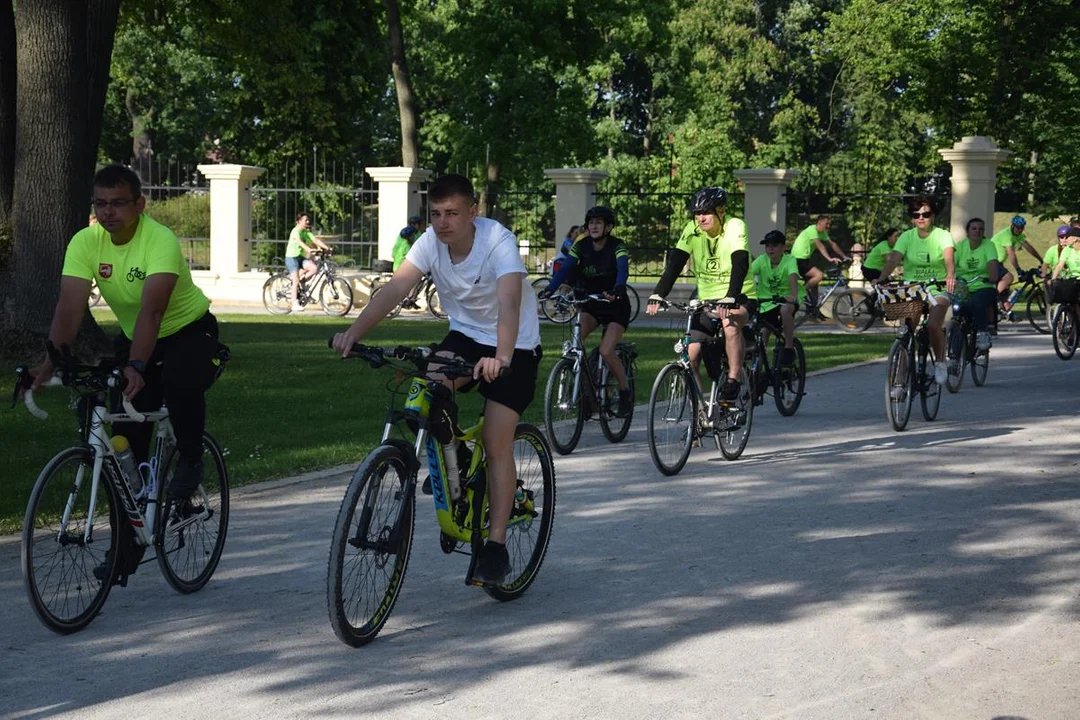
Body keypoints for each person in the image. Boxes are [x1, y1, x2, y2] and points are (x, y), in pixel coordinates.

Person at [331, 174, 541, 586]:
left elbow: (509, 300)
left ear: (472, 213)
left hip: (513, 344)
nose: (443, 223)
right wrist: (356, 332)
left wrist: (500, 357)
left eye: (452, 213)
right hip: (465, 336)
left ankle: (495, 545)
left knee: (498, 442)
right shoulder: (430, 242)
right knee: (420, 396)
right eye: (436, 214)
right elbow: (395, 288)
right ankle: (456, 460)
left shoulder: (498, 241)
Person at [28, 165, 224, 579]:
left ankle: (190, 457)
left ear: (140, 204)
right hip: (137, 335)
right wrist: (50, 362)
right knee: (121, 446)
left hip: (187, 330)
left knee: (178, 381)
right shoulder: (86, 242)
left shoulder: (160, 240)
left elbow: (153, 311)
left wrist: (137, 366)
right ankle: (128, 545)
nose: (108, 212)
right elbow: (68, 306)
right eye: (100, 203)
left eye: (118, 203)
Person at [646, 186, 756, 399]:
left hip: (740, 296)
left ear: (720, 211)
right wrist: (659, 293)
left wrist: (731, 296)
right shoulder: (692, 229)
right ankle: (701, 411)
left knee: (729, 324)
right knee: (691, 356)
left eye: (706, 212)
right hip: (706, 300)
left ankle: (733, 379)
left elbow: (740, 262)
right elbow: (676, 262)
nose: (701, 218)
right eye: (697, 213)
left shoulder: (735, 226)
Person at [540, 207, 634, 417]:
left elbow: (622, 269)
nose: (593, 226)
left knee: (606, 351)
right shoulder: (581, 246)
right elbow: (565, 268)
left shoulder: (617, 246)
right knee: (576, 344)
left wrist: (619, 287)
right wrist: (550, 288)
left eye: (599, 223)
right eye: (591, 222)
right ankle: (585, 397)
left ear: (608, 227)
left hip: (615, 305)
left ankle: (625, 391)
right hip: (591, 303)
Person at [872, 195, 956, 385]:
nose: (921, 218)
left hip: (937, 286)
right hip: (912, 288)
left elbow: (949, 256)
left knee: (934, 324)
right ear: (911, 218)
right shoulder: (906, 237)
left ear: (932, 216)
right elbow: (894, 259)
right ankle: (900, 381)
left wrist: (951, 273)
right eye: (916, 214)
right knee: (905, 331)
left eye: (925, 214)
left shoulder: (942, 235)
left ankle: (940, 363)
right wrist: (882, 277)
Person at [952, 218, 1003, 352]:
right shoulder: (960, 246)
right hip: (963, 286)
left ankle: (983, 332)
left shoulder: (988, 245)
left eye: (980, 229)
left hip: (983, 284)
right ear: (967, 232)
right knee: (957, 311)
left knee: (978, 302)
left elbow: (992, 263)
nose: (977, 231)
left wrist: (993, 277)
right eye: (974, 229)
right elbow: (951, 264)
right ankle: (954, 354)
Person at [750, 230, 800, 364]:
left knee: (785, 311)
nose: (770, 249)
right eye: (767, 246)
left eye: (774, 245)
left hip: (785, 300)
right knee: (763, 333)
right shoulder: (762, 260)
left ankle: (789, 347)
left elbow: (793, 276)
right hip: (766, 303)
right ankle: (758, 371)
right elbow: (747, 274)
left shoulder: (790, 260)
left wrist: (793, 295)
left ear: (783, 247)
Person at [791, 215, 849, 319]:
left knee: (814, 285)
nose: (828, 226)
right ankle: (801, 292)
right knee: (819, 275)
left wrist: (844, 256)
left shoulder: (822, 232)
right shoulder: (812, 230)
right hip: (797, 259)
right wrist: (830, 259)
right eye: (826, 224)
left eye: (829, 224)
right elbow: (820, 246)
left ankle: (814, 310)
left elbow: (832, 244)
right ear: (819, 223)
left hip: (804, 259)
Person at [991, 215, 1042, 311]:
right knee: (1009, 277)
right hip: (991, 262)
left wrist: (1041, 259)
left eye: (1022, 228)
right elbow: (1011, 254)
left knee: (1006, 289)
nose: (1019, 230)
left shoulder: (1018, 236)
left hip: (997, 263)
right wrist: (1018, 270)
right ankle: (991, 296)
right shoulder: (1007, 235)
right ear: (1012, 226)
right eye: (1018, 227)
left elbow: (1028, 247)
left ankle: (1003, 309)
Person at [285, 212, 332, 313]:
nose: (308, 221)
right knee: (296, 280)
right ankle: (294, 303)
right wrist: (308, 249)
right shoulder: (295, 231)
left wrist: (327, 248)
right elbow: (299, 242)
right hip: (291, 258)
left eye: (308, 220)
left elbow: (315, 240)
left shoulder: (306, 232)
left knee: (314, 268)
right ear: (298, 221)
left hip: (300, 257)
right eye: (305, 220)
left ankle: (300, 282)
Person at [1041, 225, 1072, 304]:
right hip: (1058, 280)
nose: (1064, 240)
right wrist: (1044, 276)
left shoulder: (1073, 250)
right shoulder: (1052, 250)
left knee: (1074, 303)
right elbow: (1045, 264)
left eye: (1066, 237)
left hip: (1071, 280)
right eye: (1062, 237)